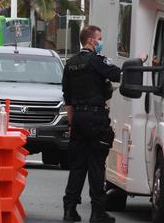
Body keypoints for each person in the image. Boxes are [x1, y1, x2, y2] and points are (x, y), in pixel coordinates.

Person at [62, 25, 146, 223]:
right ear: (91, 41)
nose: (101, 42)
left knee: (77, 167)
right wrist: (140, 61)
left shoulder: (70, 63)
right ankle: (97, 212)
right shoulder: (97, 61)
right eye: (99, 38)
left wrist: (73, 124)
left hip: (79, 120)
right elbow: (120, 75)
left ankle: (69, 210)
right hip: (96, 119)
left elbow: (68, 98)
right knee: (97, 166)